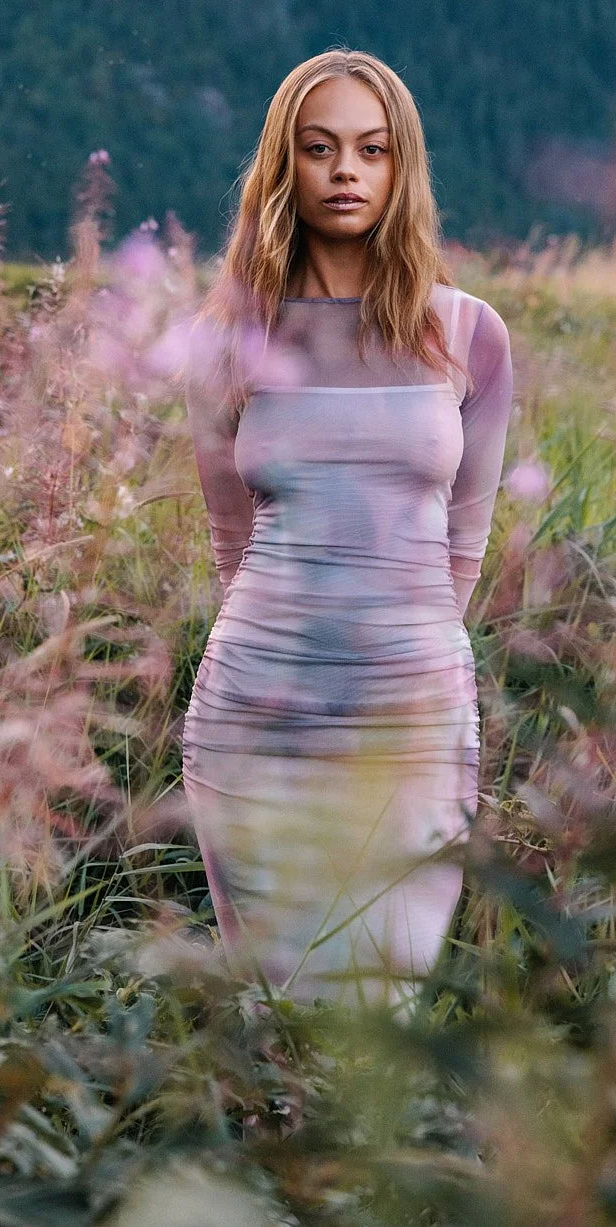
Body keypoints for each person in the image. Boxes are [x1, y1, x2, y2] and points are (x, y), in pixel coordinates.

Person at [182, 49, 512, 1005]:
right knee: (279, 1023)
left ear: (401, 168)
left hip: (410, 720)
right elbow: (230, 547)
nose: (345, 171)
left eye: (372, 150)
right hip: (259, 711)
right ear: (284, 168)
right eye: (319, 148)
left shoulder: (469, 334)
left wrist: (399, 669)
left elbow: (464, 549)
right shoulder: (228, 345)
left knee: (383, 1012)